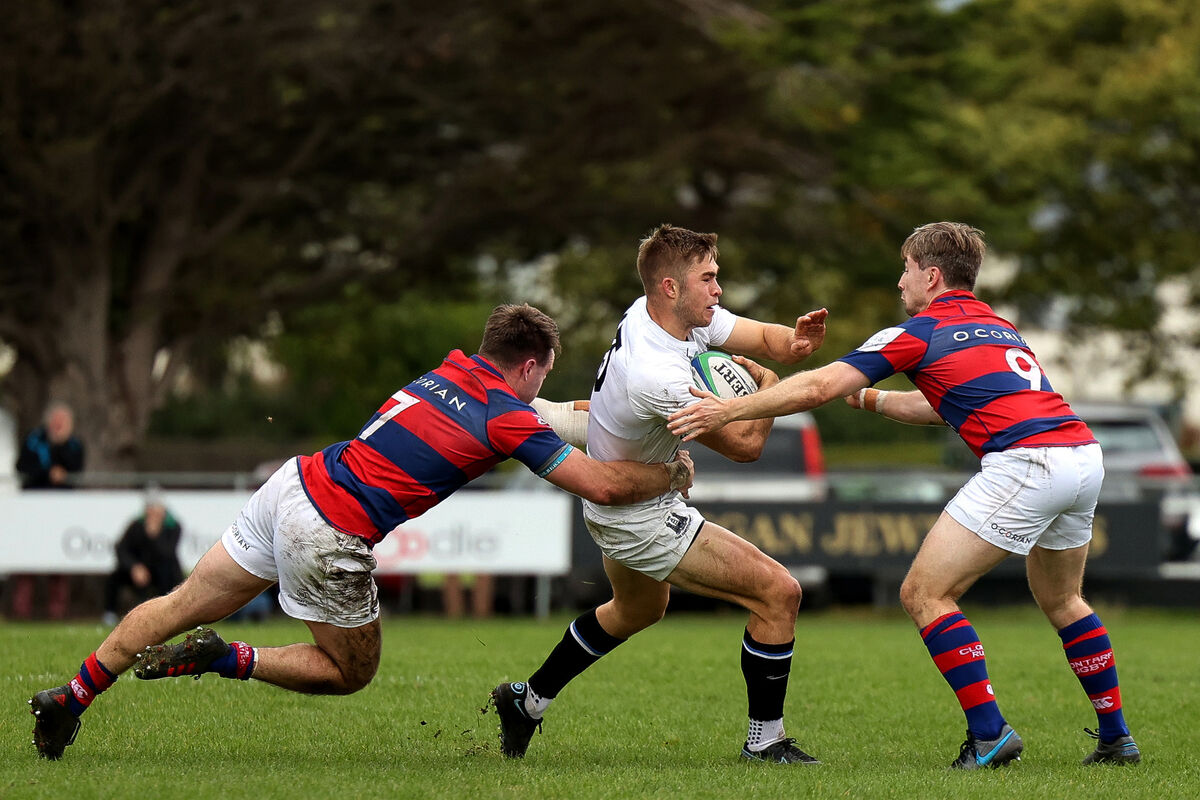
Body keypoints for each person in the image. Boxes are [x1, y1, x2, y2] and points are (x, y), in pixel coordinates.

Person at [28, 303, 695, 761]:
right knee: (351, 671)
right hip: (329, 530)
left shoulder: (451, 368)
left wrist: (627, 411)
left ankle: (73, 695)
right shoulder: (506, 417)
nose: (539, 386)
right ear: (531, 365)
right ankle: (225, 657)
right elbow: (601, 485)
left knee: (178, 602)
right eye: (543, 373)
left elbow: (561, 412)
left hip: (293, 484)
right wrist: (668, 474)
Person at [667, 221, 1140, 769]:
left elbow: (819, 384)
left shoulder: (920, 330)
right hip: (1082, 457)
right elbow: (947, 405)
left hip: (1027, 462)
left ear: (931, 276)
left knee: (924, 593)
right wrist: (872, 400)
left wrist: (727, 410)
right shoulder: (1000, 328)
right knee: (1063, 600)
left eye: (907, 269)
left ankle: (989, 734)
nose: (900, 281)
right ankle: (1116, 738)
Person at [490, 224, 829, 765]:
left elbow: (769, 341)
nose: (718, 289)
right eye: (708, 278)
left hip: (624, 498)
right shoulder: (659, 375)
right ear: (671, 287)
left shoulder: (659, 313)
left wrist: (796, 343)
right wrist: (768, 389)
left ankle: (526, 702)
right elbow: (745, 446)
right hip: (637, 515)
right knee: (778, 593)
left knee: (637, 609)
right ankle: (765, 741)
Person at [11, 401, 86, 620]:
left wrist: (60, 448)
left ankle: (57, 613)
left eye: (63, 423)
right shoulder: (34, 440)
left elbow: (76, 468)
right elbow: (22, 467)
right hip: (32, 509)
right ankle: (21, 612)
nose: (58, 427)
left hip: (60, 511)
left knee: (59, 560)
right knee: (27, 559)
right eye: (56, 422)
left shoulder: (74, 444)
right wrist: (47, 473)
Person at [102, 489, 184, 626]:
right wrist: (134, 567)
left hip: (163, 572)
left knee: (167, 576)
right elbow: (121, 549)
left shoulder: (174, 527)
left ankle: (166, 615)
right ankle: (109, 614)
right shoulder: (136, 526)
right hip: (139, 570)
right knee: (114, 577)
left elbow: (167, 553)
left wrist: (154, 536)